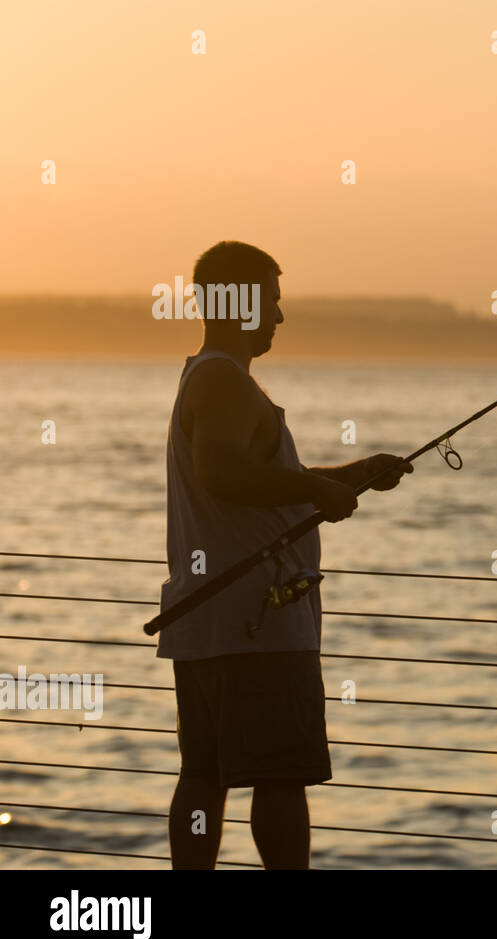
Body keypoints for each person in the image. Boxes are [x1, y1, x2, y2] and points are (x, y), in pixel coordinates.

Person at [157, 241, 411, 868]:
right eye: (272, 298)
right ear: (241, 301)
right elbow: (221, 474)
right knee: (280, 779)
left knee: (205, 777)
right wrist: (309, 487)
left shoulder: (211, 376)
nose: (279, 315)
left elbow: (259, 476)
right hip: (258, 626)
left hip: (210, 622)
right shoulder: (221, 380)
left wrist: (353, 474)